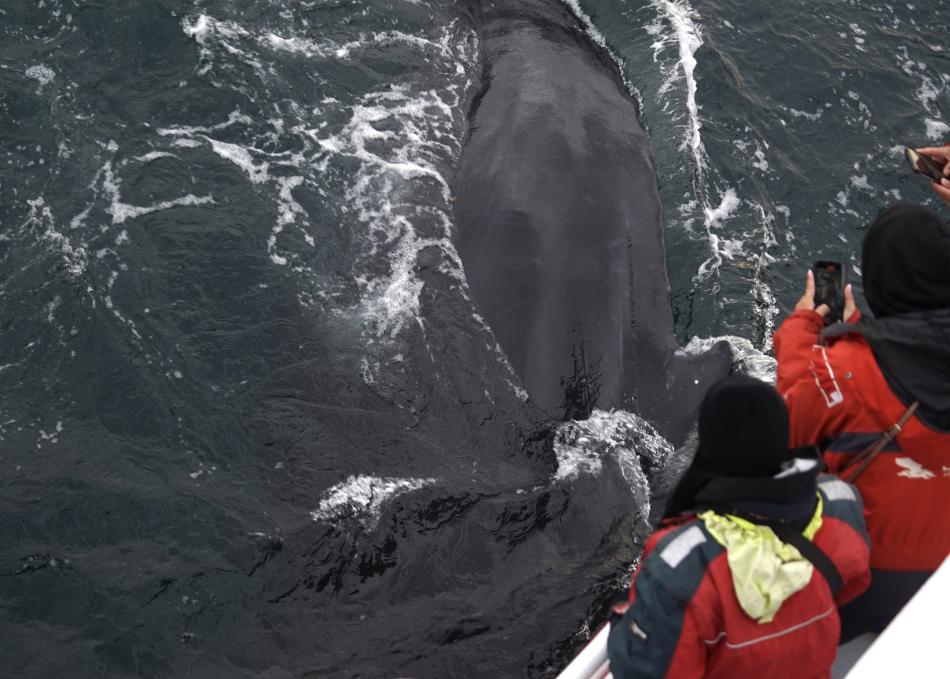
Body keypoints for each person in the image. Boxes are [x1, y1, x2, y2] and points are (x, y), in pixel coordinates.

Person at [607, 376, 871, 678]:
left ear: (710, 447)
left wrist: (624, 613)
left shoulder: (681, 564)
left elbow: (646, 671)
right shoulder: (842, 502)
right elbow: (854, 583)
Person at [774, 202, 950, 641]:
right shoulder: (851, 362)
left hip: (862, 581)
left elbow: (789, 426)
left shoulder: (845, 370)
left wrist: (803, 329)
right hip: (939, 585)